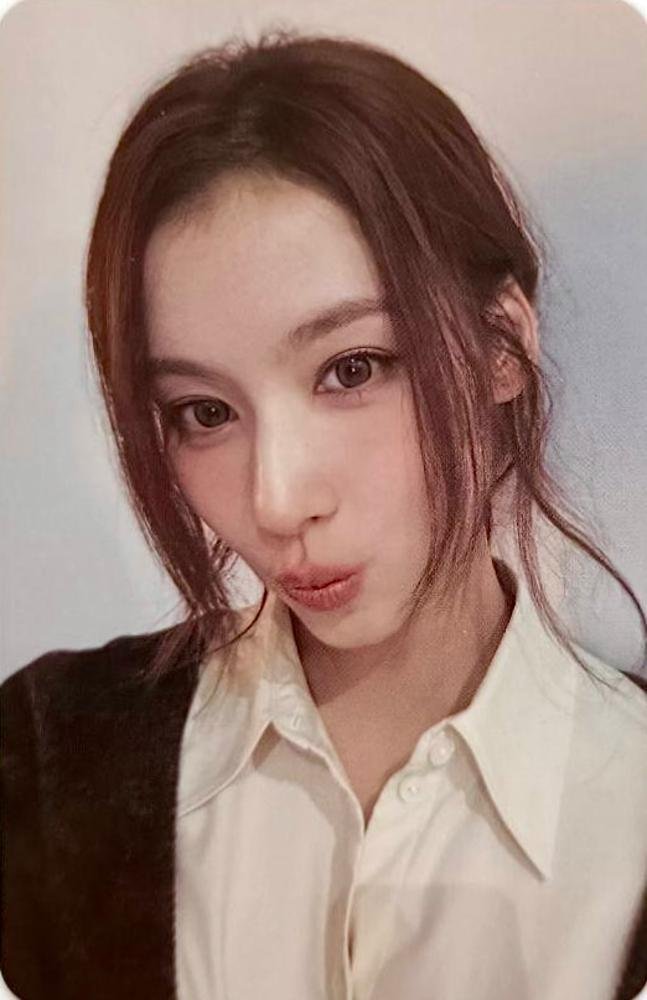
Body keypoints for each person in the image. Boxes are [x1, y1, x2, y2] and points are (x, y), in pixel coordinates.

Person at [1, 30, 646, 1000]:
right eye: (204, 413)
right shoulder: (47, 761)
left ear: (499, 347)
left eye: (351, 368)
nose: (276, 500)